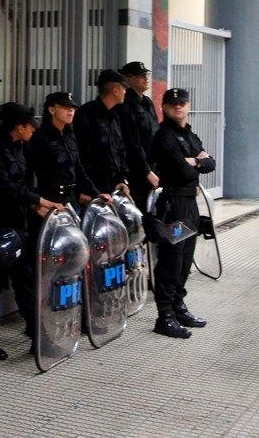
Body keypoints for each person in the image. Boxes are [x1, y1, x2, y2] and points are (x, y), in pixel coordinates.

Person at [0, 102, 63, 359]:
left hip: (17, 221)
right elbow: (2, 185)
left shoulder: (20, 146)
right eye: (30, 127)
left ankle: (38, 335)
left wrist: (35, 204)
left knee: (26, 278)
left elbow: (24, 182)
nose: (33, 132)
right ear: (19, 126)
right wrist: (39, 200)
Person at [25, 91, 109, 350]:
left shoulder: (70, 135)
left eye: (72, 107)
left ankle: (76, 317)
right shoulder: (39, 139)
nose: (70, 111)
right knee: (47, 271)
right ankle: (39, 328)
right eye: (64, 107)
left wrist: (95, 193)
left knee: (75, 263)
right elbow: (28, 174)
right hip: (48, 209)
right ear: (51, 109)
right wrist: (35, 203)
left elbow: (79, 169)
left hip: (69, 206)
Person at [149, 88, 216, 339]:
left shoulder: (188, 134)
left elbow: (210, 164)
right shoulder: (165, 136)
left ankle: (178, 305)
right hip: (174, 203)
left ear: (188, 105)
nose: (178, 107)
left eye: (182, 103)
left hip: (190, 204)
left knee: (186, 260)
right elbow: (182, 171)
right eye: (173, 103)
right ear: (164, 107)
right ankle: (164, 315)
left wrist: (194, 161)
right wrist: (196, 162)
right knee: (171, 259)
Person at [74, 69, 131, 197]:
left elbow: (120, 149)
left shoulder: (114, 116)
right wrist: (82, 189)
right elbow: (80, 153)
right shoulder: (87, 114)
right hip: (93, 184)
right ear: (115, 90)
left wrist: (122, 179)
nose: (125, 92)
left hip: (113, 184)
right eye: (123, 88)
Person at [117, 61, 160, 212]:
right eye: (140, 76)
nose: (145, 78)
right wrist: (146, 171)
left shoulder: (147, 102)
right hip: (137, 170)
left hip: (152, 165)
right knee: (141, 210)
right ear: (128, 79)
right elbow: (132, 141)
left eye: (146, 75)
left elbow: (155, 132)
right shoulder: (126, 104)